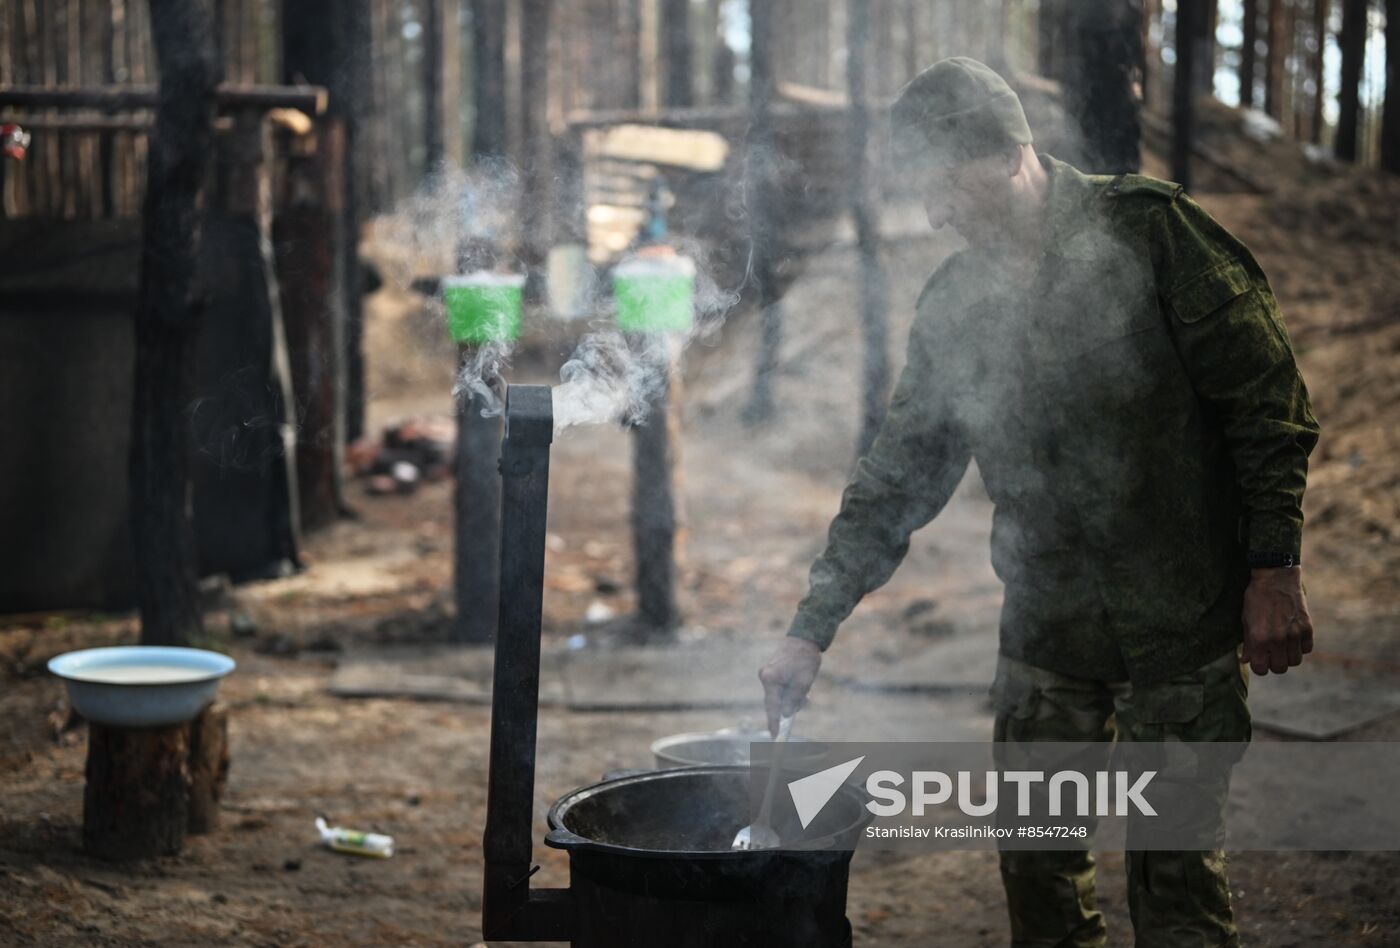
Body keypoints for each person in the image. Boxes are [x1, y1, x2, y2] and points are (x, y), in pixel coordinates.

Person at [758, 57, 1320, 947]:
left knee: (1176, 895)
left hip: (1179, 622)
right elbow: (901, 474)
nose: (935, 214)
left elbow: (1267, 406)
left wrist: (1274, 567)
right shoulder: (956, 302)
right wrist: (809, 626)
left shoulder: (1153, 236)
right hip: (1047, 634)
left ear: (1006, 151)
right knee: (1040, 885)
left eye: (942, 186)